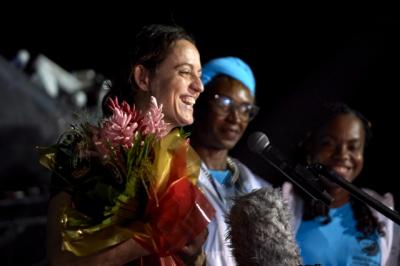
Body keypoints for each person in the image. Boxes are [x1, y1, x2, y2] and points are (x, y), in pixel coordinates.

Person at [46, 24, 207, 266]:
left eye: (199, 74)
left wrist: (196, 256)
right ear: (143, 77)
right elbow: (60, 260)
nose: (199, 86)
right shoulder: (87, 151)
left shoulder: (183, 165)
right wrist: (151, 238)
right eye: (185, 72)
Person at [283, 102, 400, 265]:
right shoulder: (280, 206)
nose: (342, 154)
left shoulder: (383, 213)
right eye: (329, 143)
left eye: (353, 147)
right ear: (310, 146)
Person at [189, 56, 270, 265]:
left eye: (246, 109)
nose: (236, 118)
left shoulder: (258, 189)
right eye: (225, 102)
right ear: (198, 99)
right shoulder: (168, 169)